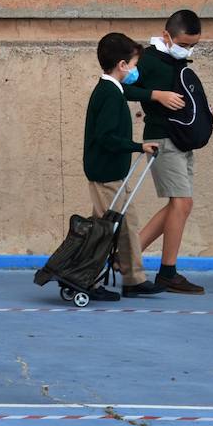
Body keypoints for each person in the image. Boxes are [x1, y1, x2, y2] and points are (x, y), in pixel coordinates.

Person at [124, 9, 206, 295]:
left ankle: (126, 257)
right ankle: (167, 272)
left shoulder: (173, 61)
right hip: (162, 138)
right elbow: (120, 88)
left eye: (193, 45)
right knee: (181, 204)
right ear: (166, 35)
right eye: (183, 44)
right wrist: (155, 95)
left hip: (181, 140)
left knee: (181, 205)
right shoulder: (146, 61)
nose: (187, 50)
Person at [83, 33, 160, 301]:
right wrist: (138, 146)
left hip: (112, 173)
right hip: (105, 174)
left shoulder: (112, 90)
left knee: (124, 225)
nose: (136, 70)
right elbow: (105, 137)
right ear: (122, 65)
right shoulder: (109, 94)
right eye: (135, 63)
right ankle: (89, 281)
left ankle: (133, 279)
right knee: (106, 231)